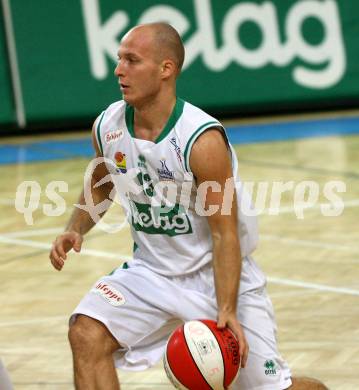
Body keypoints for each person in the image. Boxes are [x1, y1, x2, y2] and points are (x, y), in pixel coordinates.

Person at [50, 23, 327, 390]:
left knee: (269, 388)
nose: (119, 70)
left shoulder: (201, 140)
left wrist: (226, 310)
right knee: (86, 332)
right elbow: (101, 185)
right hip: (152, 274)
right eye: (119, 59)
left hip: (220, 278)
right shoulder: (107, 126)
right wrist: (75, 227)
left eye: (132, 60)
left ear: (166, 69)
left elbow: (225, 232)